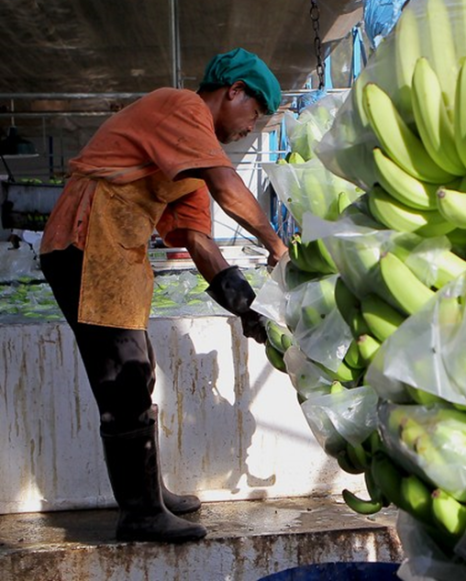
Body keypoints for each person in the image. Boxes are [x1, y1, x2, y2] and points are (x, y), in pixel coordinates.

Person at [38, 48, 289, 543]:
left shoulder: (188, 163)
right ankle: (140, 513)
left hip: (112, 254)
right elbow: (226, 184)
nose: (251, 128)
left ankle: (149, 494)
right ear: (233, 90)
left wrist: (249, 310)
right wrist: (275, 242)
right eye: (255, 114)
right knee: (123, 378)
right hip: (86, 241)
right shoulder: (180, 107)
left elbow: (200, 243)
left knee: (139, 369)